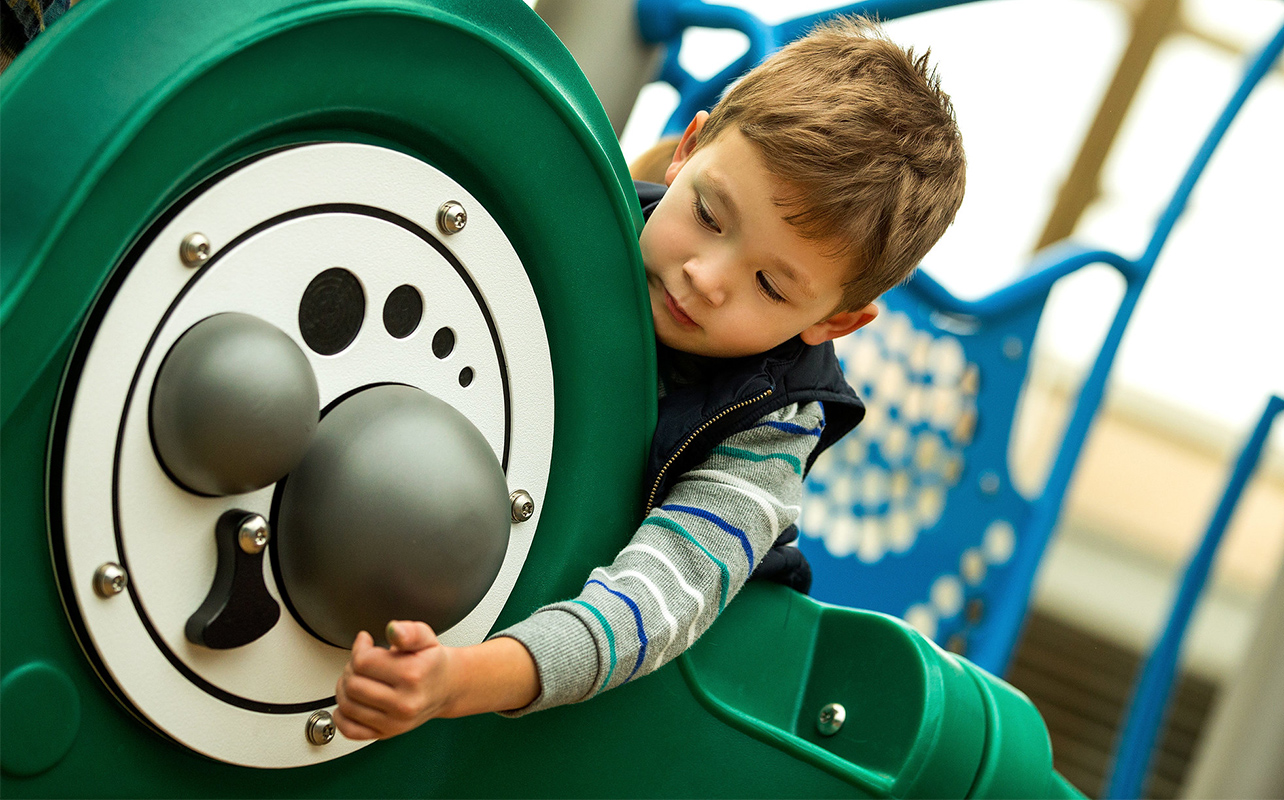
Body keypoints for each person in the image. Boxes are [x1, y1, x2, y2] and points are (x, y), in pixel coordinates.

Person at [332, 15, 966, 739]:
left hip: (620, 706)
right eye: (706, 214)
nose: (706, 276)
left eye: (771, 285)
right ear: (687, 150)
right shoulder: (571, 233)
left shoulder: (766, 428)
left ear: (834, 323)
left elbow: (657, 602)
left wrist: (464, 679)